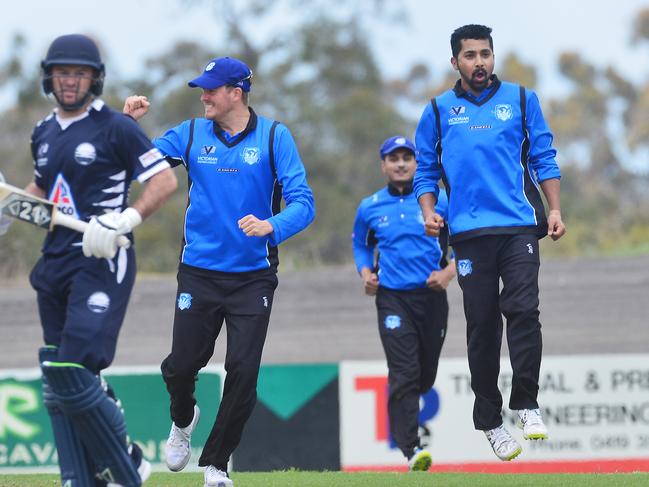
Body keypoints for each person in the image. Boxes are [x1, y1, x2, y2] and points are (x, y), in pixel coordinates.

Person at [123, 56, 315, 487]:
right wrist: (126, 127)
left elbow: (304, 203)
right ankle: (183, 417)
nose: (204, 96)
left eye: (212, 89)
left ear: (237, 92)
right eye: (203, 89)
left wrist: (272, 226)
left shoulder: (274, 137)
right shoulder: (190, 133)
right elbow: (141, 166)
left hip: (253, 276)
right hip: (199, 273)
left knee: (244, 371)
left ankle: (216, 464)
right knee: (180, 367)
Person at [7, 34, 178, 486]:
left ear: (94, 79)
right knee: (55, 375)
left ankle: (127, 462)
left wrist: (125, 218)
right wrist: (8, 211)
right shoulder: (42, 131)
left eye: (79, 73)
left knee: (73, 366)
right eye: (62, 72)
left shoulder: (116, 127)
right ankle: (79, 479)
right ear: (49, 76)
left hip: (101, 255)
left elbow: (163, 183)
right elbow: (43, 191)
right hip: (55, 259)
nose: (69, 81)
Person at [413, 24, 566, 462]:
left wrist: (554, 210)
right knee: (482, 326)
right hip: (468, 234)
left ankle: (527, 405)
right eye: (470, 56)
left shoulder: (521, 100)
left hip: (518, 227)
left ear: (493, 56)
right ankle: (491, 421)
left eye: (485, 54)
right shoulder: (439, 111)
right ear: (455, 62)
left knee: (523, 310)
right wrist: (429, 212)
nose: (479, 62)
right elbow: (425, 171)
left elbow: (543, 158)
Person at [352, 136, 456, 471]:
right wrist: (366, 273)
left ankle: (409, 429)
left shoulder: (438, 202)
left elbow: (465, 245)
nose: (400, 164)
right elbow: (361, 246)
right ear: (383, 165)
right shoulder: (370, 206)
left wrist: (449, 273)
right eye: (393, 158)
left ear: (416, 163)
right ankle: (412, 449)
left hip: (433, 297)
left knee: (423, 376)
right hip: (393, 299)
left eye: (407, 158)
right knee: (404, 373)